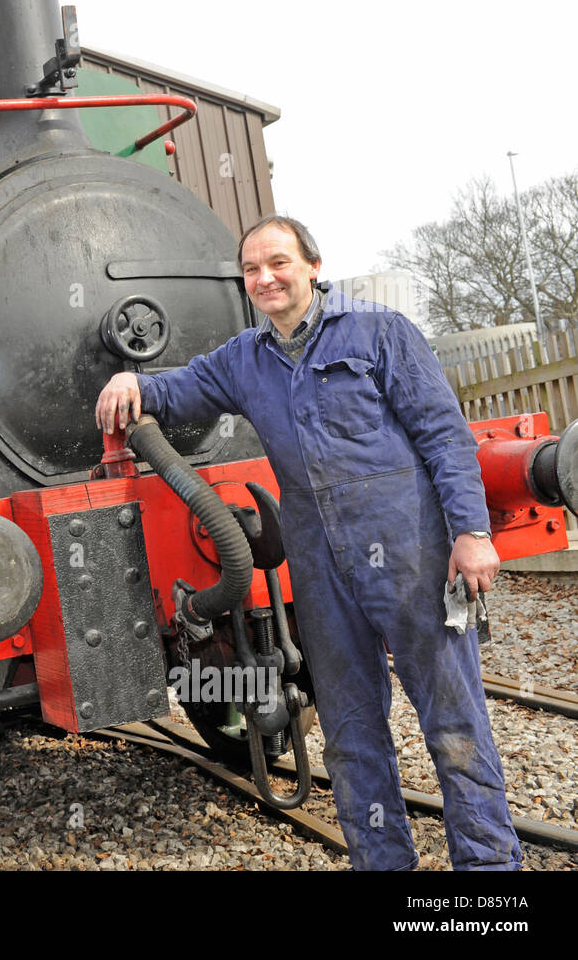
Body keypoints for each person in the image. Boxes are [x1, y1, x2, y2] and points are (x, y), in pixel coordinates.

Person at [96, 215, 519, 871]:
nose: (264, 277)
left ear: (313, 266)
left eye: (278, 263)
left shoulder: (381, 333)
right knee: (350, 735)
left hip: (409, 552)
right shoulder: (244, 359)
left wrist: (470, 532)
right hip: (322, 569)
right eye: (252, 269)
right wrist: (136, 383)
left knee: (455, 724)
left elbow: (445, 434)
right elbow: (181, 390)